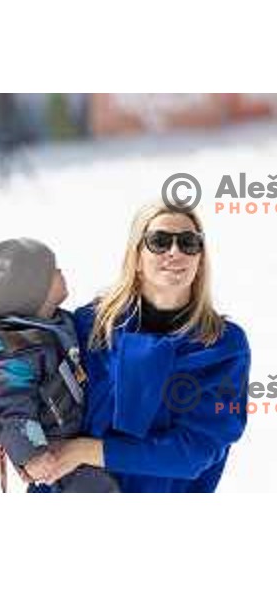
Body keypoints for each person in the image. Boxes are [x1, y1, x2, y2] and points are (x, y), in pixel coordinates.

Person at [44, 202, 251, 492]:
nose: (175, 251)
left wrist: (84, 450)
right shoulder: (91, 325)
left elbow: (193, 454)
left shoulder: (223, 346)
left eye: (189, 243)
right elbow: (33, 386)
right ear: (137, 256)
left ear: (200, 259)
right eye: (159, 241)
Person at [0, 238, 118, 492]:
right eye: (52, 271)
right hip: (53, 449)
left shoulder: (54, 322)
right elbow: (9, 403)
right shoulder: (15, 349)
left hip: (76, 435)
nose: (60, 272)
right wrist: (30, 452)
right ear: (33, 290)